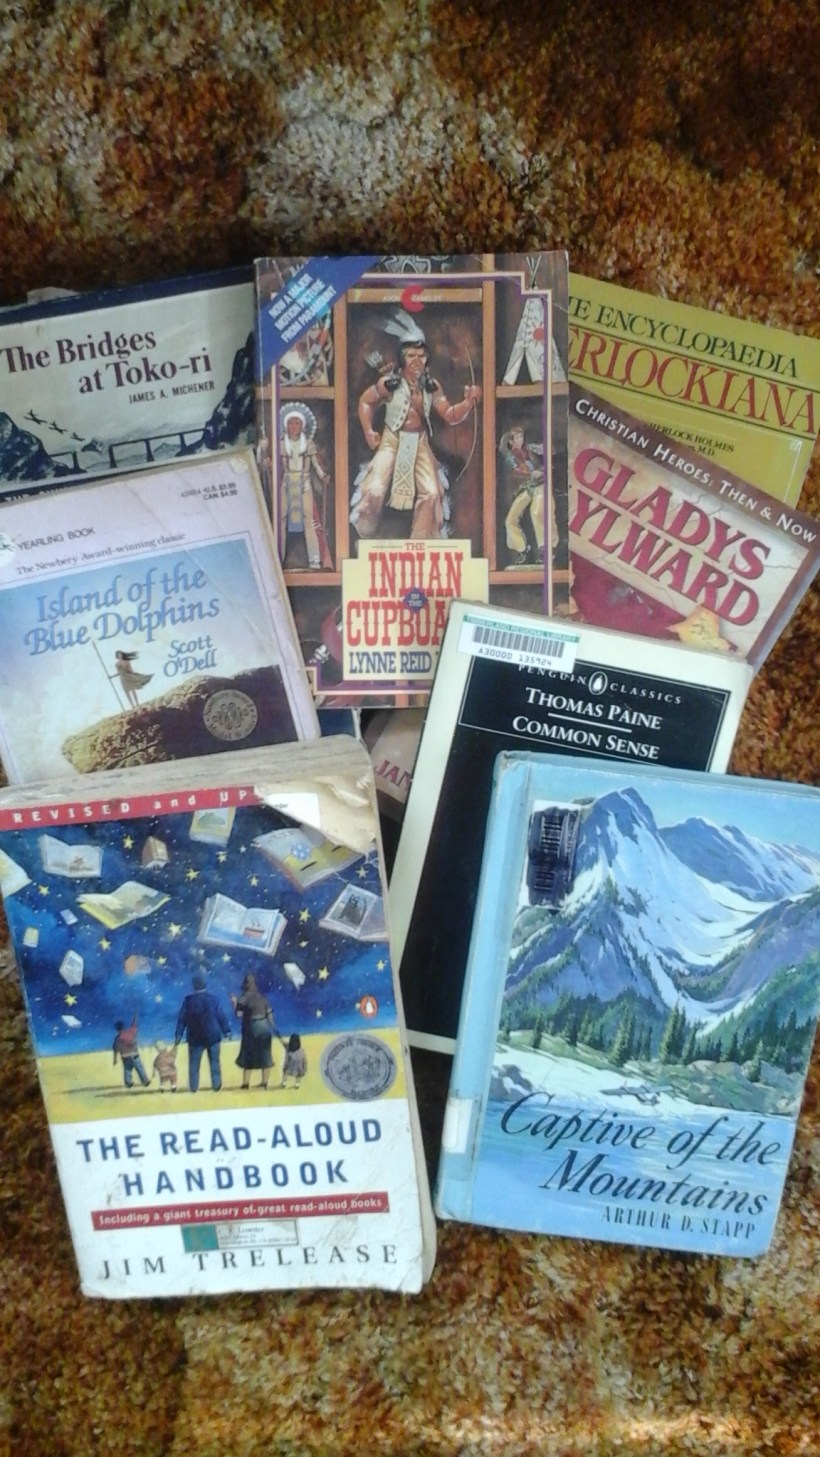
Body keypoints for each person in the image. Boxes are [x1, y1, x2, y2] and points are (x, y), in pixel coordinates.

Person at [349, 334, 481, 540]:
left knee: (432, 492)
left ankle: (422, 538)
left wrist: (467, 403)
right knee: (374, 489)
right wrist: (368, 431)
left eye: (421, 355)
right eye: (411, 355)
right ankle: (366, 530)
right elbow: (366, 402)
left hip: (419, 442)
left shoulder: (431, 386)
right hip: (391, 440)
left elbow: (450, 414)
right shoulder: (389, 383)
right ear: (402, 358)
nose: (417, 360)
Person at [278, 404, 330, 569]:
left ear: (302, 426)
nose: (294, 426)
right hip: (287, 482)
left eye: (297, 423)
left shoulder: (307, 443)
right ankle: (278, 559)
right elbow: (277, 465)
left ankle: (314, 561)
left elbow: (315, 464)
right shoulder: (282, 444)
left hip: (304, 482)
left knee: (309, 519)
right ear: (286, 425)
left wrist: (322, 475)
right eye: (290, 423)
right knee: (281, 519)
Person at [498, 425, 551, 567]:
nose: (520, 440)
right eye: (517, 438)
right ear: (511, 441)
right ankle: (523, 549)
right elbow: (517, 471)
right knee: (510, 519)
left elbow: (548, 454)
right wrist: (531, 474)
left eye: (521, 437)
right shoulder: (510, 456)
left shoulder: (529, 450)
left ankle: (544, 550)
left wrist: (543, 454)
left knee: (537, 514)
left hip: (539, 486)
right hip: (525, 488)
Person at [174, 972, 231, 1092]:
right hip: (213, 1034)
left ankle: (194, 1087)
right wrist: (226, 1031)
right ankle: (216, 1085)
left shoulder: (188, 1000)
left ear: (193, 986)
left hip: (195, 1036)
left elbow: (182, 1019)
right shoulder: (214, 999)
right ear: (205, 985)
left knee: (194, 1063)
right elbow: (221, 1016)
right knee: (214, 1062)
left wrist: (178, 1035)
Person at [230, 973, 277, 1089]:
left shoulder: (243, 998)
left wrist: (234, 1003)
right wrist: (273, 1028)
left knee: (248, 1055)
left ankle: (246, 1083)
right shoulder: (262, 998)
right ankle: (264, 1082)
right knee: (265, 1055)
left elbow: (238, 1014)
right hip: (264, 1028)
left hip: (251, 1029)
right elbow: (270, 1016)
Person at [112, 1016, 150, 1089]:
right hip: (135, 1055)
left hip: (125, 1057)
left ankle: (128, 1082)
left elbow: (115, 1049)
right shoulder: (130, 1032)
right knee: (140, 1068)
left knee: (127, 1069)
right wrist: (135, 1018)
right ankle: (145, 1081)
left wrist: (115, 1059)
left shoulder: (117, 1038)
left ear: (117, 1029)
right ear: (123, 1027)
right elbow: (134, 1026)